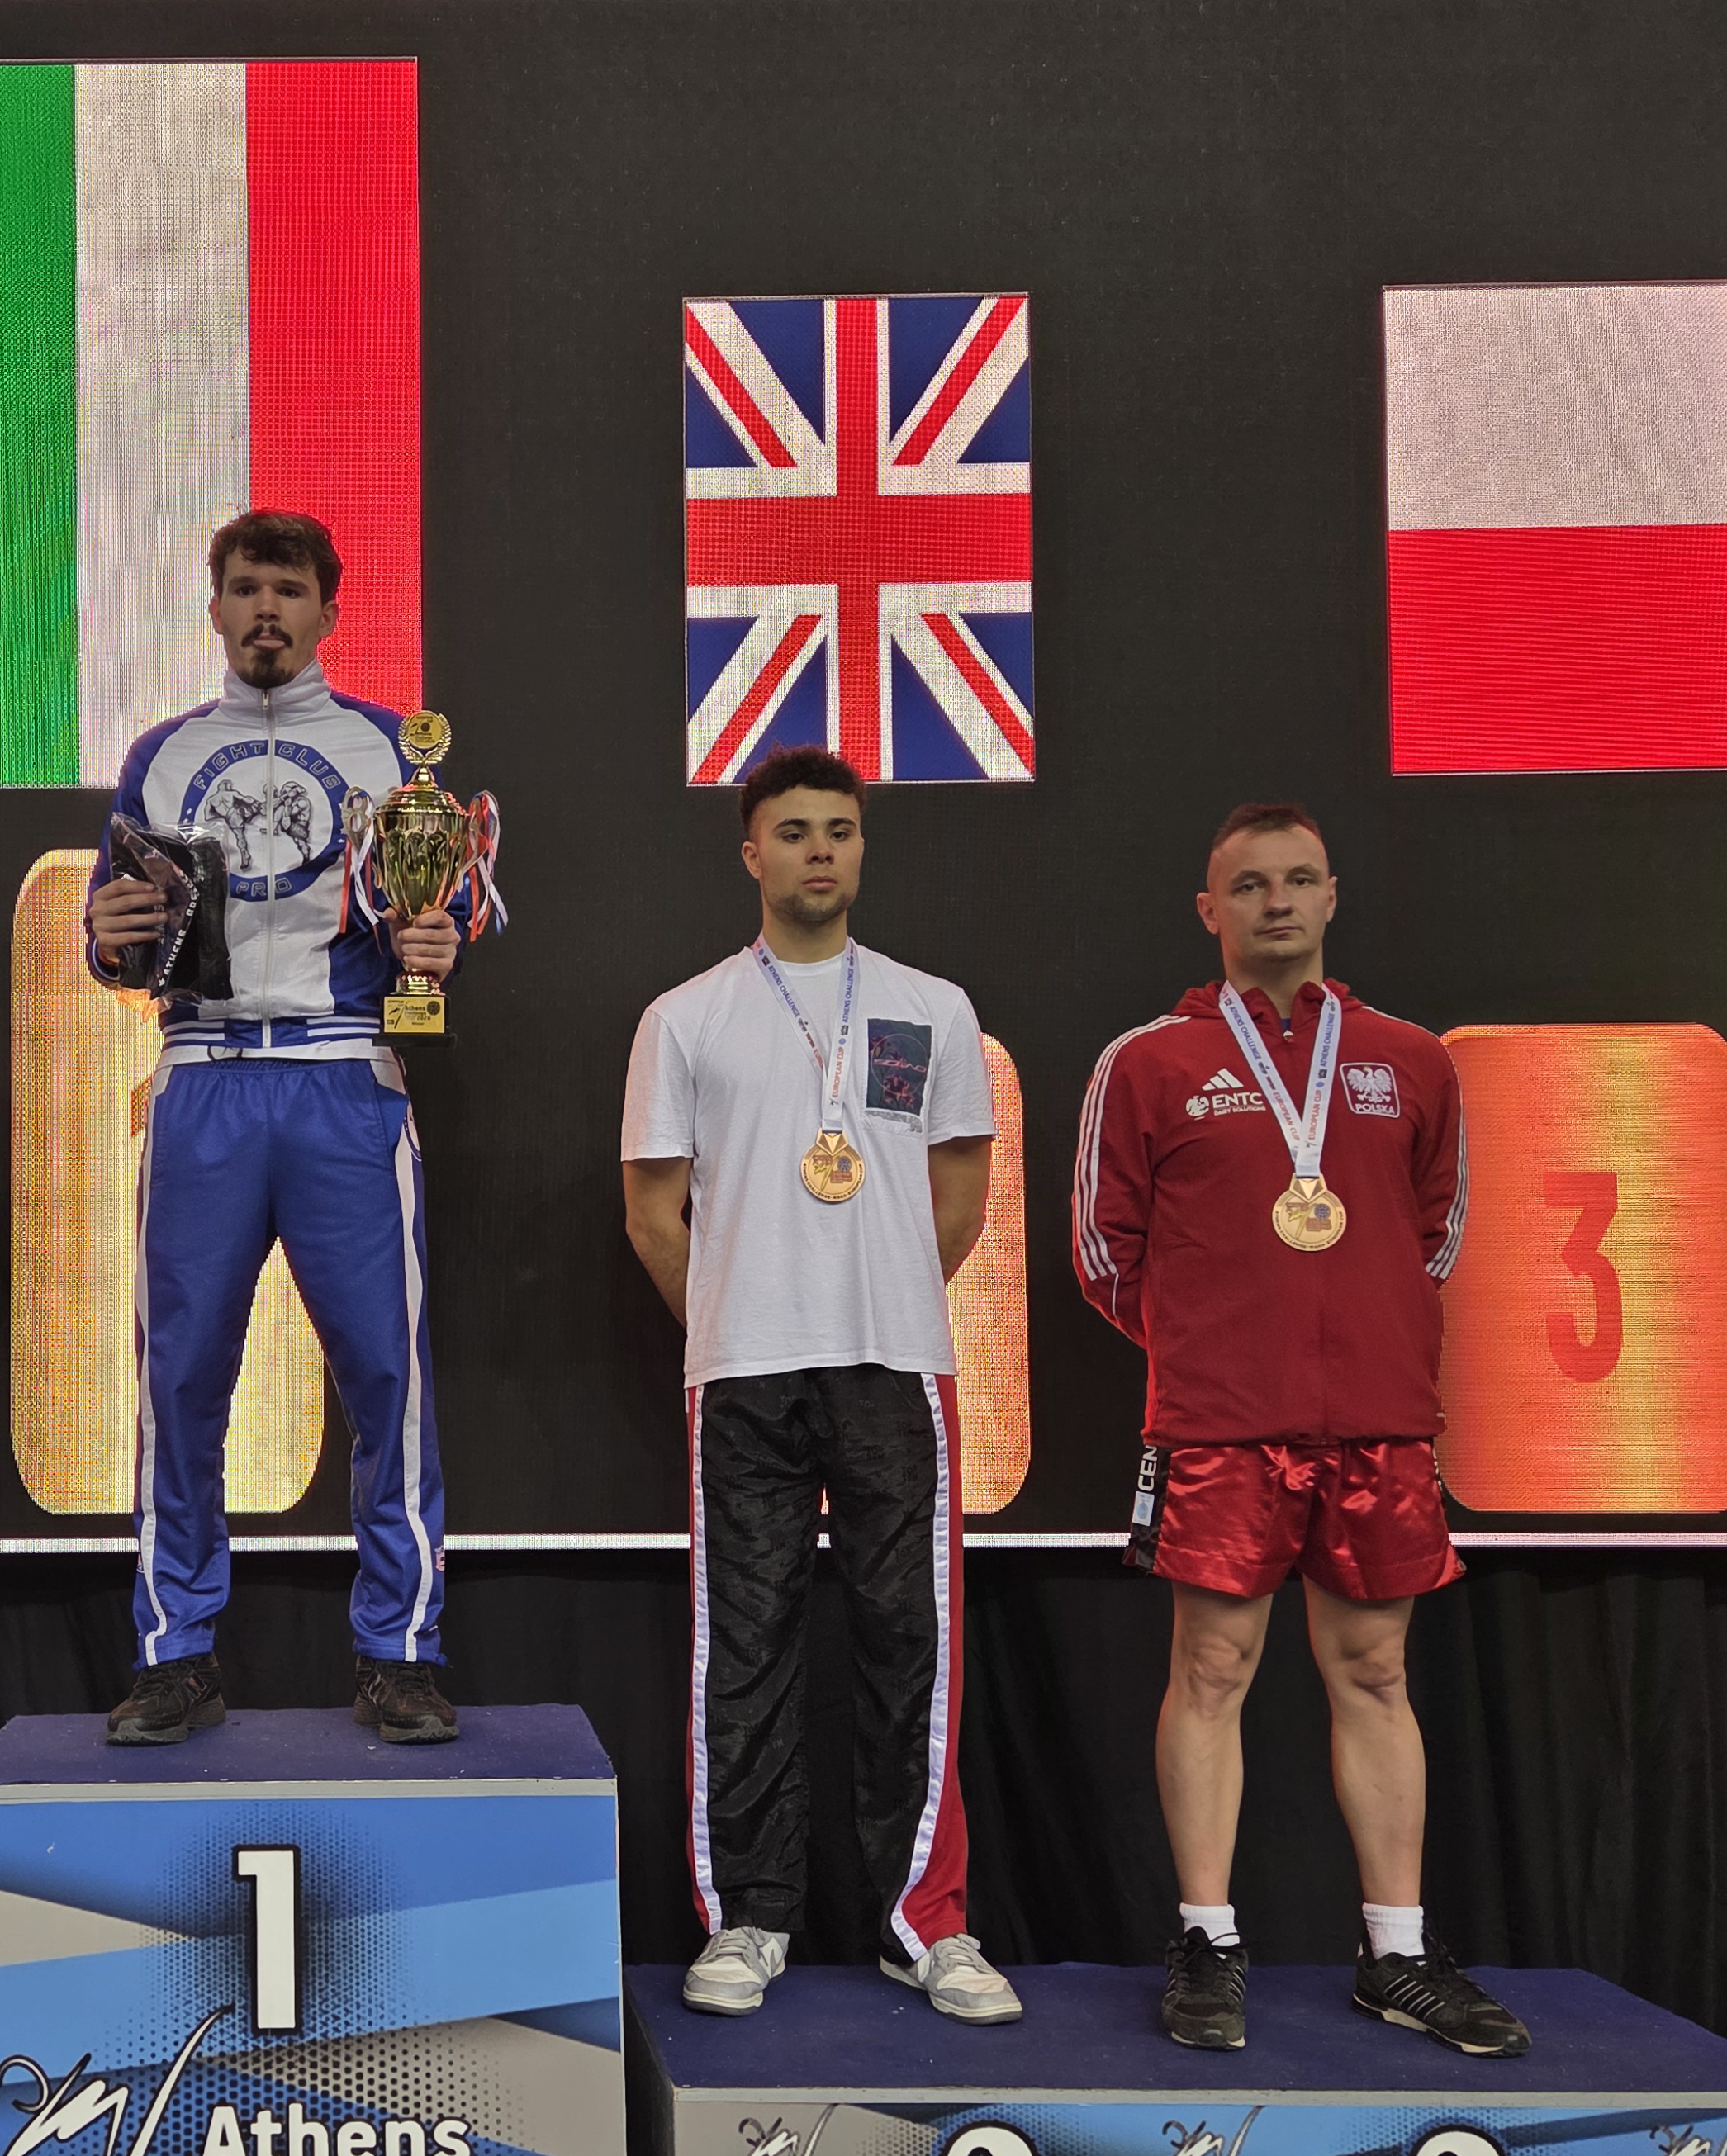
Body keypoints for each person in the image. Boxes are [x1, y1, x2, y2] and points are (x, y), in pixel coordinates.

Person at [1071, 801, 1526, 2055]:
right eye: (1249, 885)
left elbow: (1435, 1230)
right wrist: (1214, 1349)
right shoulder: (1149, 1061)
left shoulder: (1411, 1059)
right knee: (1211, 1671)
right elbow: (1103, 1249)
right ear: (1208, 910)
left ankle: (1396, 1950)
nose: (1276, 902)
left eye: (1298, 880)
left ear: (1331, 897)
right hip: (1223, 1428)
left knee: (1374, 1672)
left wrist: (1358, 1333)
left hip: (1380, 1423)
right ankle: (1207, 1940)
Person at [620, 745, 1019, 2026]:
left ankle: (924, 1923)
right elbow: (652, 1213)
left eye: (838, 831)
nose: (818, 852)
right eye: (793, 832)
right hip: (744, 1374)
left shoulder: (929, 1009)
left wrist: (879, 1285)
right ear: (752, 853)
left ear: (861, 848)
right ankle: (751, 1918)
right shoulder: (686, 1017)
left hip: (896, 1364)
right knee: (746, 1646)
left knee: (914, 1643)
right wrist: (739, 1314)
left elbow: (959, 1191)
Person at [82, 511, 485, 1747]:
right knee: (180, 1376)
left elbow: (448, 909)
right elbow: (116, 931)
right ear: (213, 610)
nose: (267, 608)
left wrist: (436, 940)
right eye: (247, 587)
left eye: (291, 590)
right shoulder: (160, 755)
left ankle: (400, 1651)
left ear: (328, 613)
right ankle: (176, 1652)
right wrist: (105, 938)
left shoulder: (389, 751)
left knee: (387, 1375)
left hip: (343, 1075)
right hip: (202, 1075)